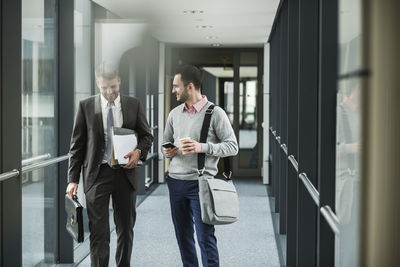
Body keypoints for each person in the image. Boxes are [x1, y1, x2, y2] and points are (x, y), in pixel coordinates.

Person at [66, 63, 153, 267]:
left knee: (125, 229)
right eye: (104, 87)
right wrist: (72, 179)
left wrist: (139, 151)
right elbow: (76, 145)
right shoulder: (86, 106)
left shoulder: (133, 104)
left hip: (126, 174)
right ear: (98, 83)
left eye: (113, 86)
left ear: (119, 81)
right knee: (99, 232)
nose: (110, 92)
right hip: (97, 175)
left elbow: (147, 135)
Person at [162, 65, 238, 267]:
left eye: (176, 86)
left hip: (201, 184)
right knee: (183, 237)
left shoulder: (215, 113)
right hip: (176, 182)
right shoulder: (174, 114)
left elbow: (233, 146)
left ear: (190, 87)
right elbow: (166, 143)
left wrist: (201, 147)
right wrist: (169, 150)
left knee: (205, 238)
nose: (173, 90)